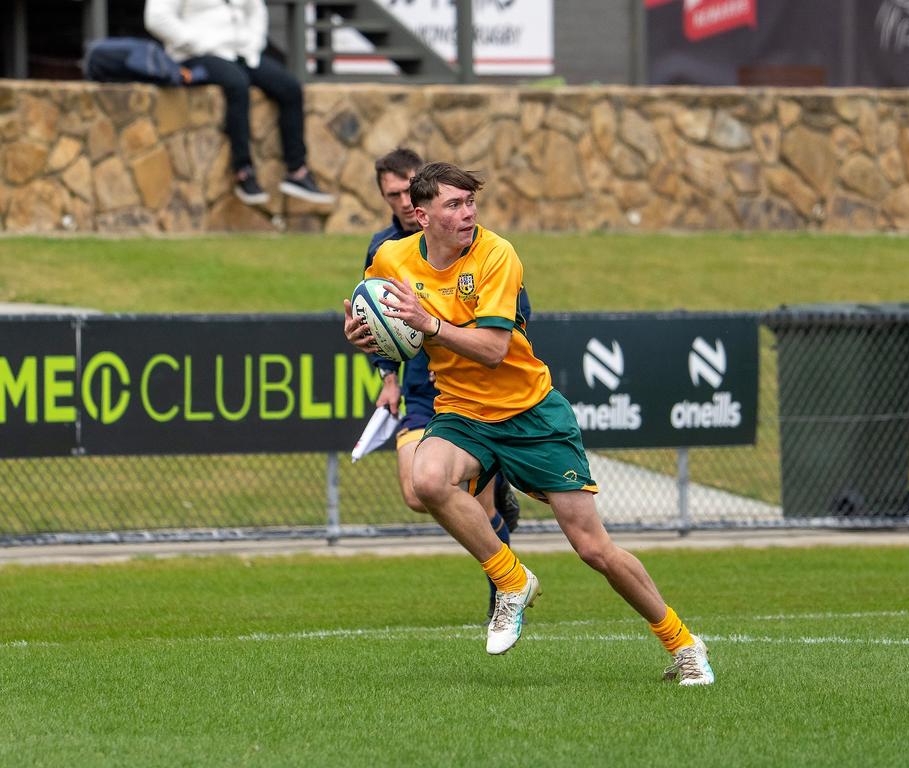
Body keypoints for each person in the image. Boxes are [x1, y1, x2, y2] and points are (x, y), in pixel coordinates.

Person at [343, 162, 714, 686]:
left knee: (593, 549)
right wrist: (360, 330)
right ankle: (511, 579)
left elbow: (494, 350)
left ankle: (683, 643)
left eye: (471, 202)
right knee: (426, 481)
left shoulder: (496, 255)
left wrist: (430, 325)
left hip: (530, 413)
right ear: (421, 216)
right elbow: (369, 309)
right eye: (454, 204)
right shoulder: (390, 256)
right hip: (463, 411)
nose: (468, 213)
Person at [367, 148, 524, 620]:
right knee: (418, 492)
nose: (398, 200)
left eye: (404, 189)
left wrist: (451, 334)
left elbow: (515, 318)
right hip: (420, 387)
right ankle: (503, 534)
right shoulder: (385, 250)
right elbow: (372, 315)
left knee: (456, 489)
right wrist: (386, 373)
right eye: (390, 194)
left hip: (477, 391)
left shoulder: (480, 248)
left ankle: (504, 581)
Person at [144, 0, 334, 207]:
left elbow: (256, 10)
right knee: (237, 84)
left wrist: (253, 43)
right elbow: (156, 18)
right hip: (197, 54)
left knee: (289, 87)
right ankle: (243, 171)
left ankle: (297, 172)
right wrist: (196, 41)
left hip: (244, 54)